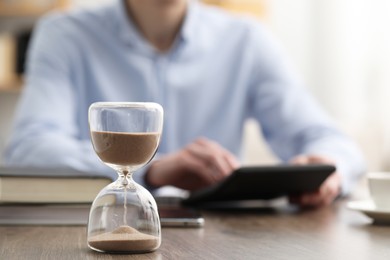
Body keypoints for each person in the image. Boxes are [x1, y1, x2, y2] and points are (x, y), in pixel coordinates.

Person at [3, 0, 366, 207]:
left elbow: (325, 137)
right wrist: (152, 168)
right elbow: (30, 147)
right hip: (109, 220)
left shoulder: (246, 39)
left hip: (221, 235)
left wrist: (326, 165)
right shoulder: (64, 34)